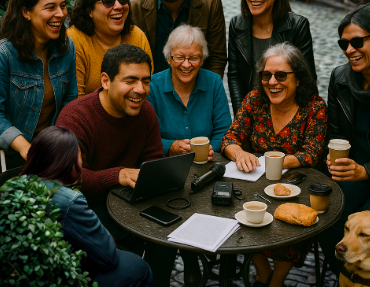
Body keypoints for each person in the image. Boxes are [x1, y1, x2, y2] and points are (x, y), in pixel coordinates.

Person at [55, 44, 175, 287]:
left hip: (130, 202)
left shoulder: (146, 112)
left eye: (145, 81)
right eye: (130, 80)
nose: (140, 90)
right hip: (88, 209)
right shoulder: (76, 117)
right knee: (127, 262)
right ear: (106, 80)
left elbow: (152, 160)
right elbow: (67, 181)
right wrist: (116, 175)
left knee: (168, 238)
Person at [221, 43, 327, 287]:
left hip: (295, 185)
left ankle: (276, 281)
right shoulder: (255, 100)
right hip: (253, 182)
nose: (272, 82)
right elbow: (230, 138)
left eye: (281, 75)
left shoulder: (314, 107)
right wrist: (238, 154)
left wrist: (272, 161)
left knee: (291, 224)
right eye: (266, 75)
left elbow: (311, 154)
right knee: (238, 210)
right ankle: (262, 273)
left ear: (298, 78)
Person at [318, 3, 370, 275]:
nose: (349, 50)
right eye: (344, 44)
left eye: (356, 42)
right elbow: (336, 133)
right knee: (325, 217)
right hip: (354, 171)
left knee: (369, 228)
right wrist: (335, 162)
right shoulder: (340, 77)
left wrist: (367, 171)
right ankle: (347, 278)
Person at [21, 126, 153, 287]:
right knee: (137, 266)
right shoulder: (69, 200)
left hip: (28, 271)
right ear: (67, 163)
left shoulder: (16, 185)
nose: (81, 161)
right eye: (78, 156)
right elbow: (108, 257)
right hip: (60, 277)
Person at [0, 0, 77, 170]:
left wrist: (60, 144)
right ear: (26, 12)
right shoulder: (5, 54)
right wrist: (26, 147)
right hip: (11, 153)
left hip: (52, 149)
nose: (60, 14)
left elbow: (70, 101)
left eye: (62, 6)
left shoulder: (66, 48)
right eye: (50, 7)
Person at [228, 0, 317, 116]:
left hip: (287, 112)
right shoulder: (237, 25)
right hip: (251, 113)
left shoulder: (297, 26)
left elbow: (307, 79)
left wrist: (296, 119)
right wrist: (241, 116)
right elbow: (235, 75)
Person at [148, 24, 232, 157]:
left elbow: (224, 131)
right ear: (169, 58)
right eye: (179, 57)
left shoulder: (214, 82)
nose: (186, 64)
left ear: (202, 60)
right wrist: (170, 146)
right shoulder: (152, 86)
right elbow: (146, 137)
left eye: (193, 58)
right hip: (166, 164)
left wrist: (208, 149)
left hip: (209, 163)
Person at [68, 0, 152, 97]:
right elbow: (75, 100)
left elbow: (147, 86)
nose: (118, 6)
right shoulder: (75, 40)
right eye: (108, 2)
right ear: (89, 10)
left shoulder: (136, 35)